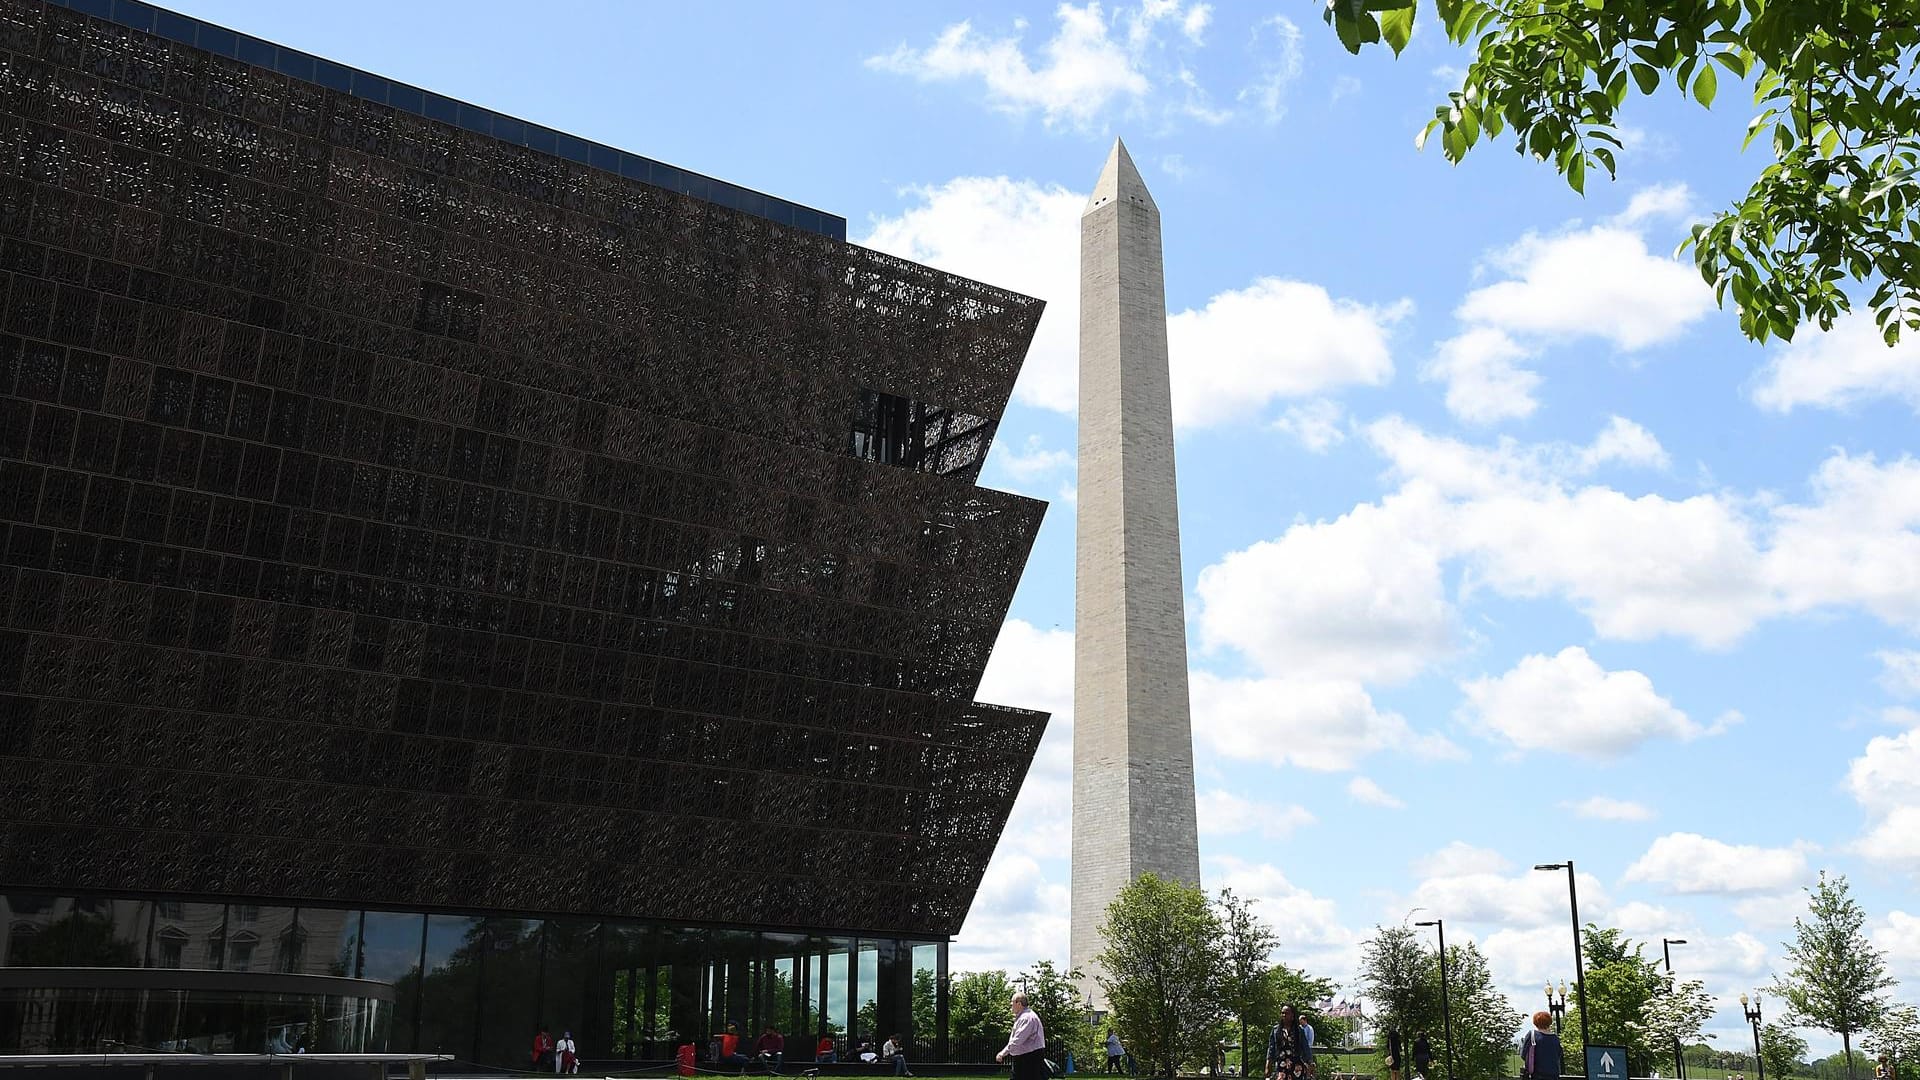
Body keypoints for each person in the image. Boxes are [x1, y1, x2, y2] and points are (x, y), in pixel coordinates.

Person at [997, 992, 1049, 1080]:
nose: (1011, 1005)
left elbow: (1017, 1040)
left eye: (1012, 1002)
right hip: (1026, 1059)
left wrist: (1003, 1053)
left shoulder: (1027, 1018)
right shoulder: (1024, 1017)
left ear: (1019, 1004)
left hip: (1029, 1060)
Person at [1266, 1004, 1314, 1080]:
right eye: (1282, 1013)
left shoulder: (1299, 1031)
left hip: (1296, 1066)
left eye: (1287, 1013)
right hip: (1281, 1065)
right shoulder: (1276, 1030)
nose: (1284, 1015)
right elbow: (1271, 1049)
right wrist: (1268, 1066)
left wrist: (1310, 1063)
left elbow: (1305, 1048)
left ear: (1292, 1015)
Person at [1520, 1012, 1562, 1080]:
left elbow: (1523, 1055)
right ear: (1549, 1022)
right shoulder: (1555, 1038)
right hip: (1554, 1075)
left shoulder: (1532, 1035)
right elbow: (1559, 1054)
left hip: (1537, 1075)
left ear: (1535, 1023)